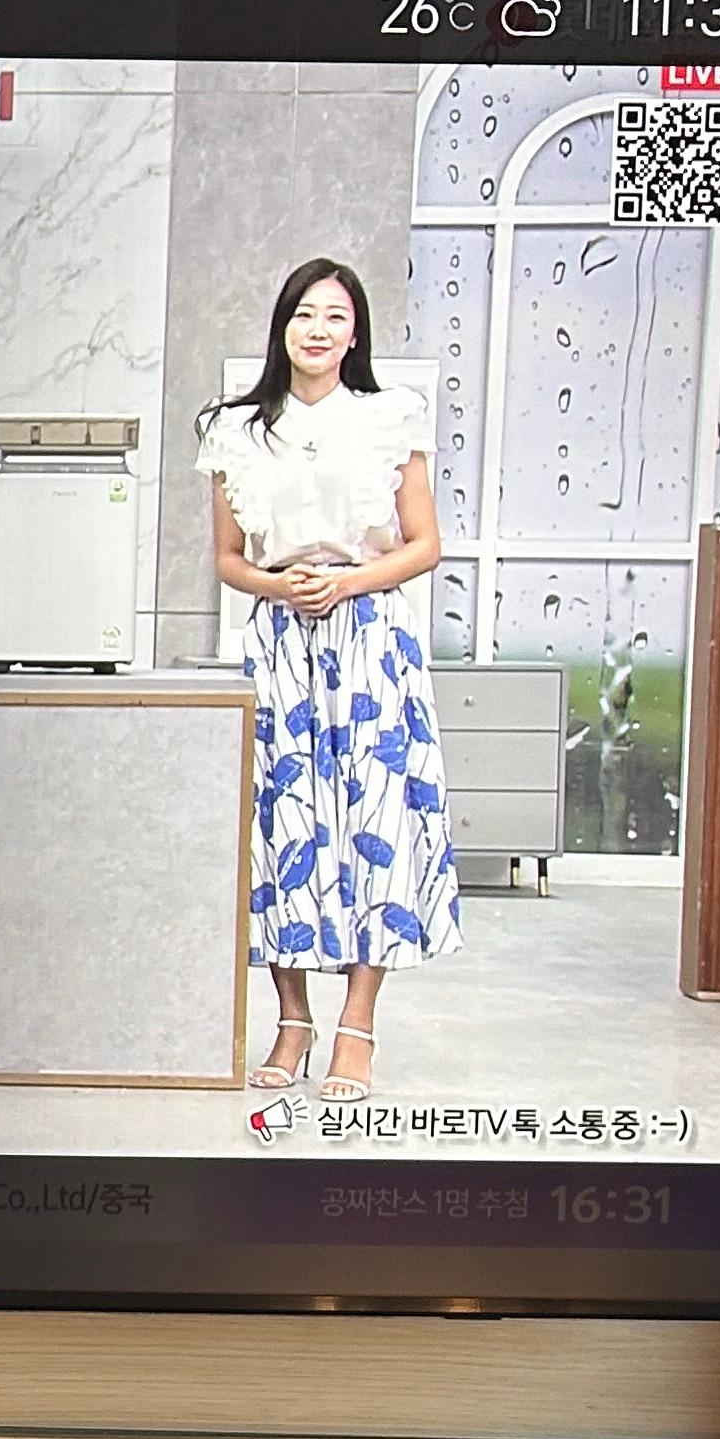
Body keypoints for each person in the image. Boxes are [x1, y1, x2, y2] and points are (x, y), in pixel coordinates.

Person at [197, 258, 459, 1108]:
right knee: (282, 822)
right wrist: (282, 588)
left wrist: (346, 583)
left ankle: (358, 1024)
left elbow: (424, 543)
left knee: (371, 816)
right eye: (304, 313)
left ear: (355, 335)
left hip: (371, 635)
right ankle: (292, 1020)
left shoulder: (390, 417)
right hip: (280, 640)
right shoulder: (234, 429)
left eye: (336, 316)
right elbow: (229, 558)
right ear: (282, 327)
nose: (317, 329)